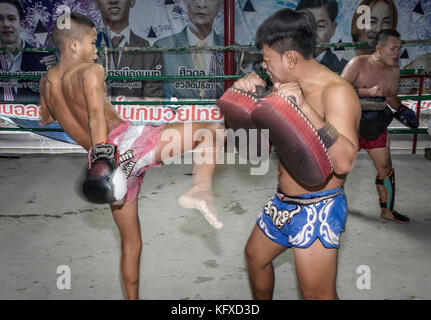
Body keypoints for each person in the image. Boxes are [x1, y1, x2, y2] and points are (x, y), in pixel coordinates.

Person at [41, 13, 224, 299]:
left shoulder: (46, 82)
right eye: (92, 42)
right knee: (210, 131)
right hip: (121, 149)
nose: (97, 49)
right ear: (74, 45)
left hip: (104, 166)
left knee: (131, 243)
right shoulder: (91, 71)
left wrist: (98, 162)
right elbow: (94, 115)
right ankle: (200, 190)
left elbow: (43, 118)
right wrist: (106, 158)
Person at [237, 9, 361, 300]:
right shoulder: (284, 87)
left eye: (267, 62)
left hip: (318, 208)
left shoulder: (337, 92)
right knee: (255, 258)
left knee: (316, 294)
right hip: (283, 201)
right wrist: (250, 100)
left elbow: (344, 162)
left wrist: (304, 107)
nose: (264, 68)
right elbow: (258, 147)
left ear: (290, 58)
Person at [341, 29, 416, 224]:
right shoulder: (358, 64)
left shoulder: (394, 71)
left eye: (399, 48)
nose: (397, 53)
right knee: (339, 169)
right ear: (379, 48)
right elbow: (338, 92)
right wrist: (367, 91)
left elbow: (390, 97)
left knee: (386, 168)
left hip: (376, 126)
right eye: (393, 48)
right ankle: (331, 206)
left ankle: (387, 211)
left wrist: (401, 110)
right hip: (351, 124)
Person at [154, 0, 225, 100]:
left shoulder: (233, 51)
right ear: (184, 3)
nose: (201, 4)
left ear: (221, 5)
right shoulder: (162, 48)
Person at [94, 0, 163, 100]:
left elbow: (152, 102)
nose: (113, 1)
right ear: (96, 3)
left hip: (134, 114)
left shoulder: (150, 52)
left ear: (132, 1)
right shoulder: (83, 48)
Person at [295, 0, 348, 73]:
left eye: (320, 26)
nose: (312, 34)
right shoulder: (284, 67)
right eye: (305, 26)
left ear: (333, 28)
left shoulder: (346, 70)